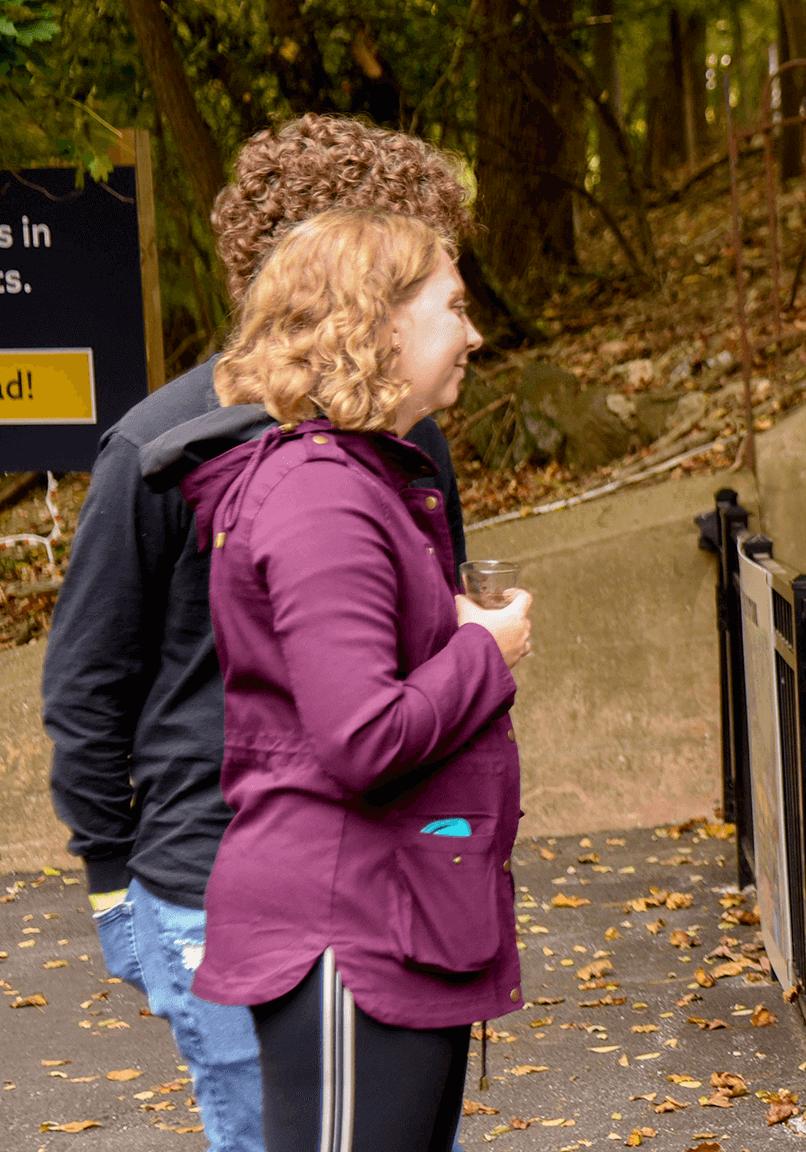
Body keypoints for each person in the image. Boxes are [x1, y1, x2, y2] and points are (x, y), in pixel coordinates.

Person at [43, 115, 473, 1152]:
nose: (460, 322)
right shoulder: (161, 446)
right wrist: (110, 883)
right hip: (223, 884)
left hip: (388, 882)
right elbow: (88, 680)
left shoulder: (409, 445)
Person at [167, 207, 526, 1151]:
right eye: (454, 306)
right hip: (345, 928)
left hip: (397, 913)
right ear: (379, 324)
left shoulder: (362, 481)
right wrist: (484, 649)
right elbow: (363, 738)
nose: (475, 332)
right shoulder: (324, 496)